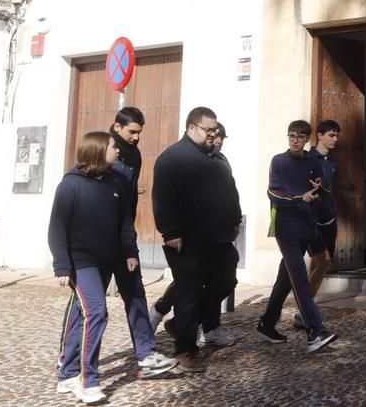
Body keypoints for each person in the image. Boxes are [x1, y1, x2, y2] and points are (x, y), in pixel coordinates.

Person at [48, 132, 176, 405]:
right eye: (112, 147)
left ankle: (67, 373)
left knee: (82, 314)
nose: (117, 151)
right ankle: (87, 380)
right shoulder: (70, 185)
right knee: (96, 312)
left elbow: (124, 223)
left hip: (111, 258)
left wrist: (130, 252)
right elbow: (57, 228)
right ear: (96, 151)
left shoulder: (116, 181)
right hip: (82, 263)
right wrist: (61, 265)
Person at [152, 107, 243, 372]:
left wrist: (235, 220)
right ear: (192, 128)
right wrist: (171, 232)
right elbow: (163, 198)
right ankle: (185, 351)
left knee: (226, 281)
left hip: (220, 238)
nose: (214, 134)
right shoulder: (173, 158)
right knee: (189, 294)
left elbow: (230, 190)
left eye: (215, 130)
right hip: (188, 240)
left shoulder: (217, 158)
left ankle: (181, 325)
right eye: (209, 130)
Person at [103, 107, 178, 375]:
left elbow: (130, 195)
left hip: (125, 235)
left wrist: (129, 233)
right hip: (99, 238)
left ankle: (146, 354)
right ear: (116, 126)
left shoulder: (134, 155)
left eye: (139, 133)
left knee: (135, 293)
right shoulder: (101, 147)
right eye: (132, 131)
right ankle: (69, 358)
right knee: (87, 305)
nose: (136, 137)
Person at [256, 120, 337, 353]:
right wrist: (299, 198)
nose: (295, 140)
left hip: (309, 226)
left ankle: (266, 324)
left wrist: (319, 188)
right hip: (287, 229)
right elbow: (273, 193)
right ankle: (315, 332)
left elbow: (323, 190)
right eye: (291, 136)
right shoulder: (278, 161)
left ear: (307, 140)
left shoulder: (313, 160)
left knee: (288, 277)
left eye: (300, 137)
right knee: (299, 278)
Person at [294, 119, 340, 329]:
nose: (335, 140)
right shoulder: (307, 158)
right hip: (313, 220)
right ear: (319, 135)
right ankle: (304, 310)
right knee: (324, 262)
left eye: (337, 136)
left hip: (329, 219)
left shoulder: (332, 161)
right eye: (331, 135)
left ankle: (305, 310)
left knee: (317, 264)